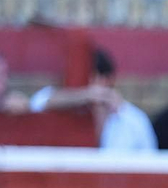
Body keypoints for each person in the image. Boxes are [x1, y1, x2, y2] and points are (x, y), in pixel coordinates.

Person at [29, 48, 157, 153]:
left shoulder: (133, 120)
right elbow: (36, 103)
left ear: (107, 79)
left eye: (93, 78)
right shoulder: (67, 106)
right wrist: (84, 95)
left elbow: (150, 162)